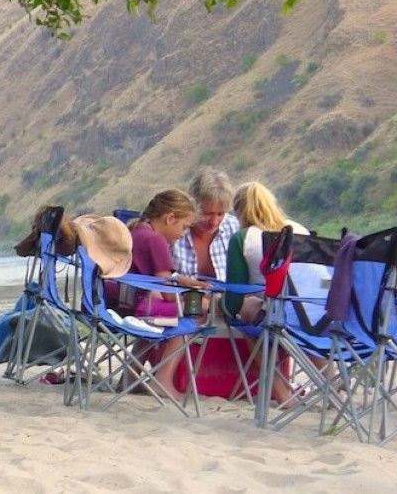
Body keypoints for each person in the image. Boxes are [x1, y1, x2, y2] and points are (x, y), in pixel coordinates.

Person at [225, 181, 311, 405]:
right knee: (301, 318)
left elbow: (235, 295)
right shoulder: (302, 230)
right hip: (313, 315)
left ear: (240, 212)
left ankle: (282, 393)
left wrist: (221, 306)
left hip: (275, 316)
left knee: (246, 311)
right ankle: (333, 387)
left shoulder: (243, 238)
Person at [126, 189, 211, 396]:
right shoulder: (156, 240)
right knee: (199, 308)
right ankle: (163, 377)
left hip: (126, 302)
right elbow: (166, 289)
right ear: (169, 218)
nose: (183, 234)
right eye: (183, 227)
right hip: (141, 307)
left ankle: (130, 374)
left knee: (158, 319)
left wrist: (185, 282)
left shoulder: (136, 231)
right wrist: (186, 297)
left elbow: (158, 277)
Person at [171, 168, 240, 282]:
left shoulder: (235, 228)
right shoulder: (173, 230)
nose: (214, 222)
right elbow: (162, 275)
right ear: (191, 204)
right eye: (207, 213)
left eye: (220, 214)